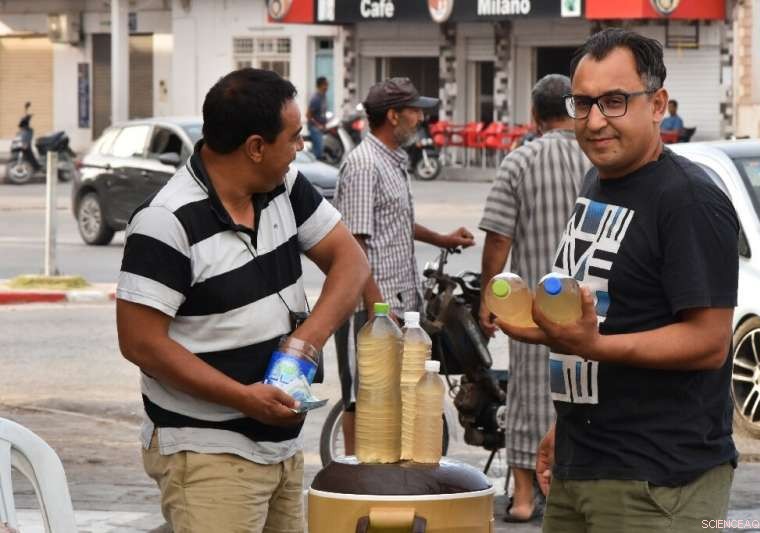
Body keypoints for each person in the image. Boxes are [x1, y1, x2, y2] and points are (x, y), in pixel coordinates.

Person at [497, 29, 739, 532]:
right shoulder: (597, 183)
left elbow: (709, 341)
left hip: (658, 481)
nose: (596, 120)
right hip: (581, 460)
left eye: (614, 101)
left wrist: (592, 346)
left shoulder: (688, 199)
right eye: (583, 103)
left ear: (657, 104)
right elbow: (608, 313)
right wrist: (564, 422)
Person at [116, 68, 369, 533]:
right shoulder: (165, 222)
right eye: (293, 138)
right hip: (207, 453)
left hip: (281, 446)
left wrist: (304, 343)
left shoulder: (285, 188)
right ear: (256, 147)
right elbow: (140, 344)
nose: (299, 149)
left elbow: (350, 261)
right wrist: (243, 398)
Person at [333, 77, 475, 455]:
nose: (420, 118)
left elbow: (393, 222)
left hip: (396, 307)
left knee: (395, 398)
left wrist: (442, 239)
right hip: (372, 310)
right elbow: (355, 245)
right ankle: (354, 479)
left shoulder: (392, 161)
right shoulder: (365, 165)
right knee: (363, 397)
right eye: (414, 111)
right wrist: (379, 311)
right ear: (393, 116)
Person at [478, 73, 591, 524]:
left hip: (534, 308)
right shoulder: (596, 154)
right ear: (573, 109)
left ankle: (524, 499)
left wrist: (489, 298)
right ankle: (571, 491)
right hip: (592, 306)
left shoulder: (520, 160)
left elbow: (497, 238)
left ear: (534, 115)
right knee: (583, 392)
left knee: (527, 393)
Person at [307, 76, 329, 159]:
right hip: (315, 128)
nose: (327, 87)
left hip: (321, 128)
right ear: (319, 86)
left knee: (318, 150)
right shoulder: (315, 99)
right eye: (325, 85)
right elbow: (308, 115)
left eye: (327, 85)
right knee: (318, 152)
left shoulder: (324, 97)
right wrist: (318, 125)